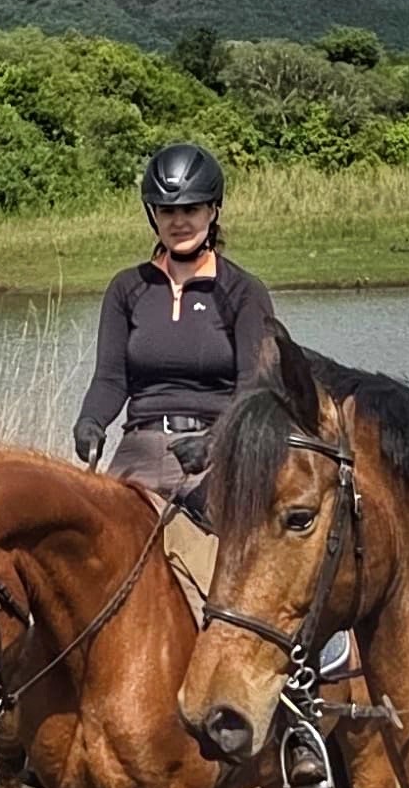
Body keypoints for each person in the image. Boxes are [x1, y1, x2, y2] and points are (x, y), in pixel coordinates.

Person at [73, 141, 276, 516]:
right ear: (153, 215)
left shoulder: (243, 292)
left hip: (216, 453)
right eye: (167, 210)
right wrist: (90, 421)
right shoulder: (127, 289)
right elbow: (110, 379)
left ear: (212, 210)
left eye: (190, 209)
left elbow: (254, 389)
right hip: (139, 450)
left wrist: (214, 443)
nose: (178, 221)